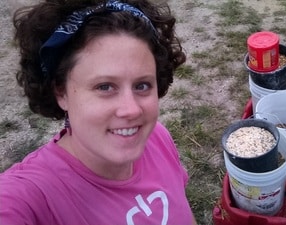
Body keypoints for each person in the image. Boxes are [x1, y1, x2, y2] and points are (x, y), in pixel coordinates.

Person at [0, 0, 197, 224]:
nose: (131, 110)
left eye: (142, 85)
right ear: (61, 92)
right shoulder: (30, 198)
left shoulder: (157, 139)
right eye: (104, 87)